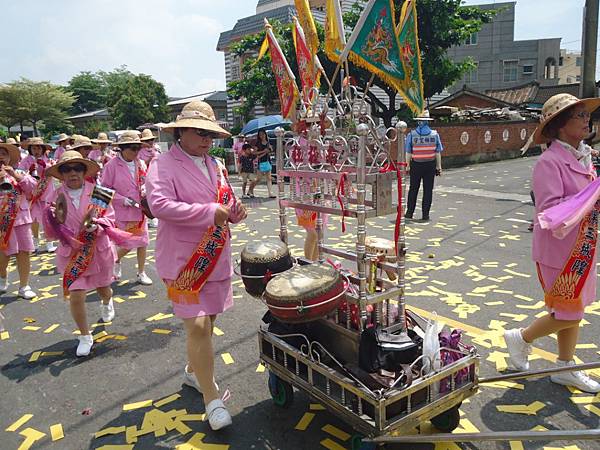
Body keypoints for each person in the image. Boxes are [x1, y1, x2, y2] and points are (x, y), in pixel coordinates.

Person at [146, 100, 247, 431]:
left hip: (216, 255)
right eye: (199, 132)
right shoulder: (162, 165)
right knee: (199, 326)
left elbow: (225, 199)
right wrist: (207, 212)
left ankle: (193, 372)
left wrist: (235, 210)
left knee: (209, 321)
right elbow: (159, 205)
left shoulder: (216, 164)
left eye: (210, 133)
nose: (206, 139)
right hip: (183, 260)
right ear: (180, 132)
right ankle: (211, 398)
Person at [504, 93, 600, 393]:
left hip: (583, 247)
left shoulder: (585, 156)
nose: (588, 120)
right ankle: (521, 337)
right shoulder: (549, 162)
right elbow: (550, 211)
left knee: (575, 308)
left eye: (587, 115)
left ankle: (564, 367)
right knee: (569, 312)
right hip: (559, 252)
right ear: (560, 125)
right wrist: (590, 198)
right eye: (579, 116)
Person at [43, 151, 117, 357]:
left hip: (98, 251)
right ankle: (85, 335)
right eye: (67, 169)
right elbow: (49, 233)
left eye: (77, 168)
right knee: (75, 295)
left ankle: (106, 301)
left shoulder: (99, 192)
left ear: (84, 171)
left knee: (104, 288)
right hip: (72, 254)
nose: (72, 173)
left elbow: (111, 219)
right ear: (61, 173)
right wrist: (51, 222)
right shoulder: (54, 196)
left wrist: (98, 227)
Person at [101, 131, 152, 285]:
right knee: (125, 244)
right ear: (122, 148)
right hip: (121, 212)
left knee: (143, 242)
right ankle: (113, 261)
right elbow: (104, 189)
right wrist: (122, 200)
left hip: (140, 210)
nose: (136, 152)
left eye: (138, 148)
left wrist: (146, 190)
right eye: (132, 148)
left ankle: (141, 272)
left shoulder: (141, 163)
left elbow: (147, 181)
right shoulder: (111, 165)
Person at [0, 142, 38, 299]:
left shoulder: (19, 172)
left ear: (10, 158)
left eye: (4, 153)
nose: (1, 156)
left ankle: (24, 285)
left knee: (24, 252)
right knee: (3, 253)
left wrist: (15, 176)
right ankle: (2, 278)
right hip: (2, 220)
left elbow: (33, 189)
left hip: (20, 219)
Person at [18, 137, 57, 253]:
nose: (36, 150)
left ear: (43, 149)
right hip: (33, 194)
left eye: (39, 147)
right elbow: (20, 173)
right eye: (34, 148)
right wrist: (28, 171)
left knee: (48, 218)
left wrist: (46, 167)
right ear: (30, 149)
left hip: (47, 193)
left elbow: (53, 172)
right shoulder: (25, 160)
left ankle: (49, 242)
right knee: (34, 219)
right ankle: (35, 241)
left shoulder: (47, 159)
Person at [404, 110, 443, 222]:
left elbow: (408, 152)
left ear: (418, 122)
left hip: (416, 164)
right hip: (430, 165)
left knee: (413, 189)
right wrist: (438, 167)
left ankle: (409, 213)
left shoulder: (412, 134)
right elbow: (437, 152)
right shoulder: (434, 134)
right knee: (428, 190)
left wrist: (407, 166)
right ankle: (425, 214)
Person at [250, 129, 275, 198]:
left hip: (268, 161)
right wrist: (263, 151)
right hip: (261, 162)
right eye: (260, 134)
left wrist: (270, 150)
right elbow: (254, 153)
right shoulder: (258, 143)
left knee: (269, 178)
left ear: (265, 134)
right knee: (258, 179)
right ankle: (251, 189)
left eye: (263, 134)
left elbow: (271, 151)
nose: (262, 136)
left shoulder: (268, 142)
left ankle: (270, 193)